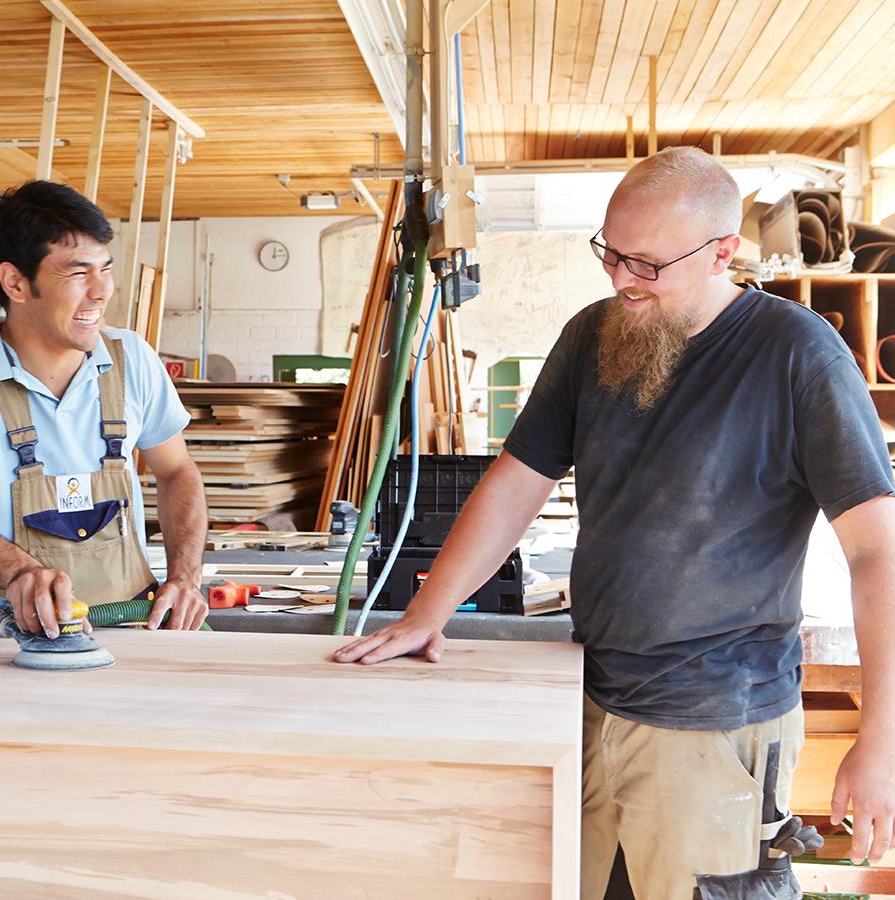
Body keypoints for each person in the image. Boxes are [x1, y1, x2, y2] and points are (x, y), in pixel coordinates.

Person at [334, 147, 895, 898]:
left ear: (723, 252)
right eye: (610, 253)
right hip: (592, 695)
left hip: (716, 723)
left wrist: (881, 739)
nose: (622, 278)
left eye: (647, 264)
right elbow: (516, 482)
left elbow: (877, 555)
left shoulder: (797, 356)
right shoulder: (594, 334)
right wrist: (428, 613)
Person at [0, 180, 209, 637]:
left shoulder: (131, 359)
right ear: (15, 282)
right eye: (78, 273)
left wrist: (185, 578)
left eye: (105, 269)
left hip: (132, 622)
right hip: (9, 633)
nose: (101, 291)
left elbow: (177, 470)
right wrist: (20, 574)